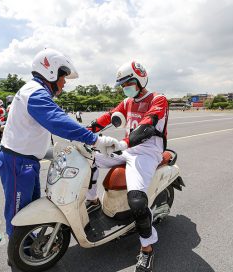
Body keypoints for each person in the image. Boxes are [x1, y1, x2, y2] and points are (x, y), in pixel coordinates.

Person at [0, 48, 117, 238]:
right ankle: (19, 253)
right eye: (63, 77)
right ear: (51, 72)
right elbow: (57, 120)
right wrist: (95, 139)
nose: (64, 82)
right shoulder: (35, 93)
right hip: (17, 162)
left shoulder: (34, 91)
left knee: (29, 208)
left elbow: (48, 124)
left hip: (24, 161)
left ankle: (26, 244)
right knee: (18, 212)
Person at [85, 61, 169, 272]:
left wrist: (124, 143)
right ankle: (92, 200)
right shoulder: (127, 102)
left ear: (140, 79)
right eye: (122, 84)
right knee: (89, 158)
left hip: (147, 153)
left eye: (128, 82)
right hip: (127, 149)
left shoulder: (158, 99)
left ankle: (147, 249)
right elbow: (106, 118)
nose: (125, 87)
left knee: (137, 202)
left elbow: (148, 125)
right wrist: (83, 133)